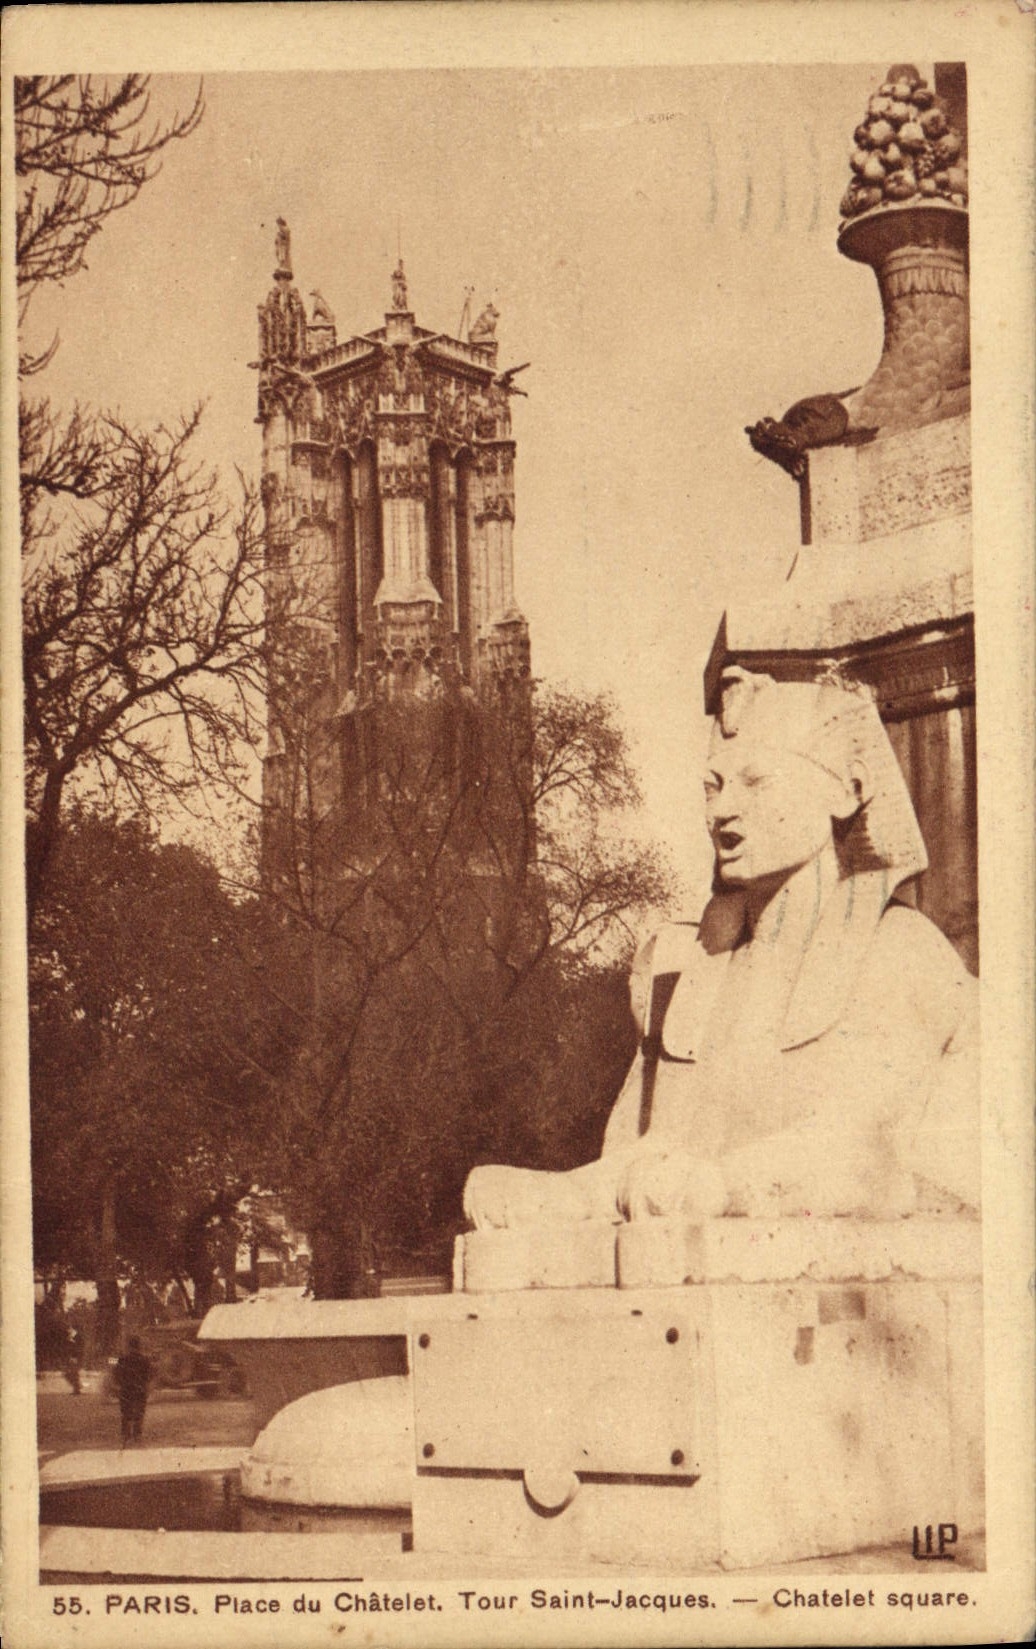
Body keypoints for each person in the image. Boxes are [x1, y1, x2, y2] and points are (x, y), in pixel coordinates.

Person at [464, 666, 979, 1230]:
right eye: (714, 785)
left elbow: (866, 1155)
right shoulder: (698, 963)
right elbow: (663, 1149)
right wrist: (585, 1193)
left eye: (755, 781)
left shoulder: (899, 952)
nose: (721, 811)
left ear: (847, 789)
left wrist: (721, 1186)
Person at [113, 1335, 152, 1446]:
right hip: (140, 1389)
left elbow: (115, 1371)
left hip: (126, 1389)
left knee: (125, 1412)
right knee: (139, 1412)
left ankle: (125, 1434)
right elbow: (149, 1374)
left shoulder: (121, 1359)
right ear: (139, 1346)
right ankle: (137, 1434)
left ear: (128, 1346)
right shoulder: (145, 1359)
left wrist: (118, 1384)